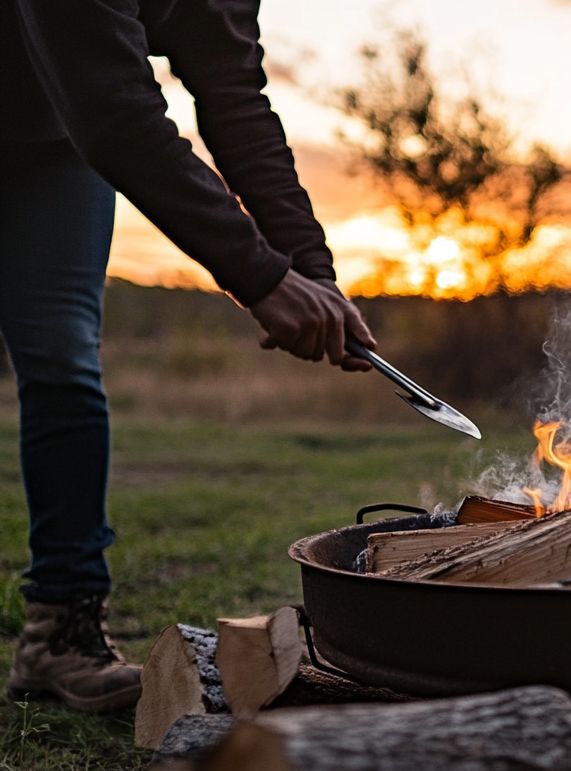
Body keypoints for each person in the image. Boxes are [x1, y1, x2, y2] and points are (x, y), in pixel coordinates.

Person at [1, 0, 376, 712]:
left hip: (50, 149)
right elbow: (114, 111)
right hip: (81, 115)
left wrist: (312, 272)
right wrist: (261, 278)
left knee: (64, 363)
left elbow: (237, 102)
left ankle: (60, 632)